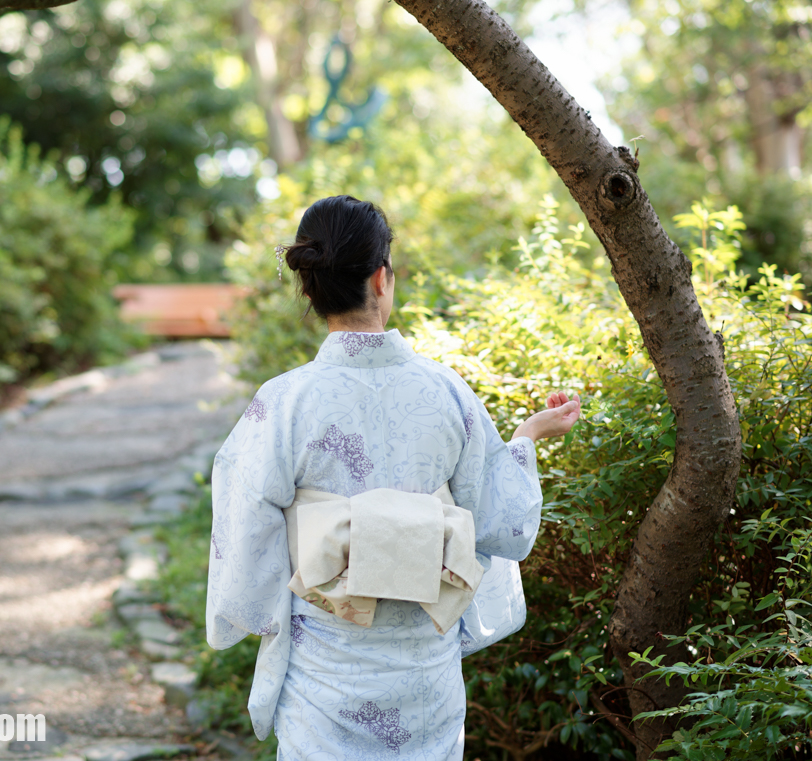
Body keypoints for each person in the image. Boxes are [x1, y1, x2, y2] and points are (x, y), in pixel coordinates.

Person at [205, 195, 581, 760]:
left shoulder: (281, 402)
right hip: (422, 674)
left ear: (311, 287)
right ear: (382, 279)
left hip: (325, 672)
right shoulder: (446, 391)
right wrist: (523, 439)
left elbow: (245, 531)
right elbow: (501, 522)